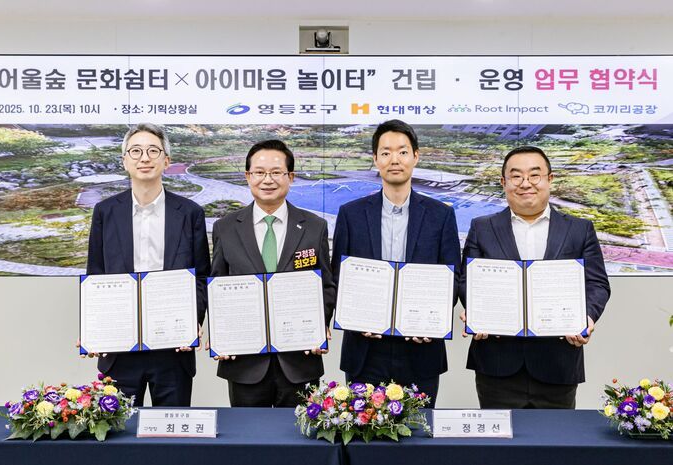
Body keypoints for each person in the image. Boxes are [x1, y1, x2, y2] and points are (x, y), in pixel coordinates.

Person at [459, 145, 611, 409]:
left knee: (555, 436)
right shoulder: (482, 228)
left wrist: (586, 317)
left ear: (549, 179)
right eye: (516, 176)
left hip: (558, 362)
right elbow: (466, 281)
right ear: (504, 183)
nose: (525, 183)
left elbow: (597, 284)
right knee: (499, 436)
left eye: (534, 175)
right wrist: (476, 310)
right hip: (496, 362)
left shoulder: (579, 229)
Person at [331, 119, 461, 403]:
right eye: (386, 152)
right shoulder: (351, 214)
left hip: (421, 347)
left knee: (419, 429)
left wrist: (432, 320)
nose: (394, 159)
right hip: (365, 348)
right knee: (363, 428)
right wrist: (354, 316)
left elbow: (453, 277)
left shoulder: (441, 215)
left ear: (416, 156)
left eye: (402, 152)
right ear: (375, 159)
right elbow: (339, 276)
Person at [84, 122, 210, 407]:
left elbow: (201, 277)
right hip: (120, 348)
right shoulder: (105, 212)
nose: (144, 158)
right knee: (118, 429)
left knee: (173, 428)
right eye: (136, 151)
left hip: (173, 348)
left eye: (153, 151)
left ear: (166, 161)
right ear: (125, 160)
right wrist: (94, 328)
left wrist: (192, 322)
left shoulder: (190, 213)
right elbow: (96, 277)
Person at [209, 139, 335, 407]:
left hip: (300, 359)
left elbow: (326, 285)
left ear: (291, 176)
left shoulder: (314, 227)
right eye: (259, 172)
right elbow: (217, 285)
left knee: (300, 431)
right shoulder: (225, 228)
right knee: (248, 433)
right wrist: (222, 333)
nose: (268, 180)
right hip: (245, 362)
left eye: (276, 172)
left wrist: (317, 326)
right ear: (248, 176)